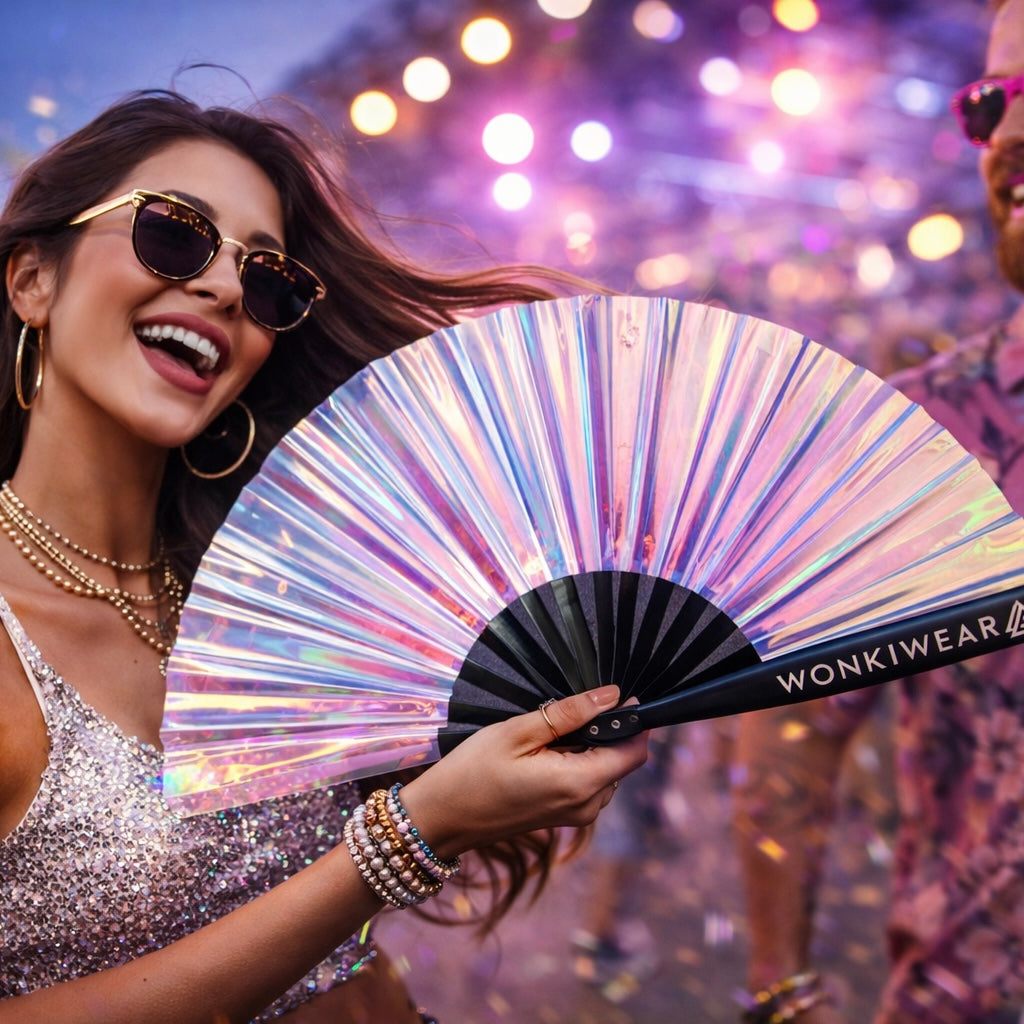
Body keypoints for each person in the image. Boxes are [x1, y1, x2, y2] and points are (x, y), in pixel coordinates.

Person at [0, 89, 649, 1023]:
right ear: (32, 280)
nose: (226, 287)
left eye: (268, 280)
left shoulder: (271, 596)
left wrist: (542, 747)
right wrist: (406, 839)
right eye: (176, 235)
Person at [733, 1, 1024, 1021]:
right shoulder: (924, 432)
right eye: (992, 101)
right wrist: (780, 991)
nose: (1009, 135)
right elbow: (790, 734)